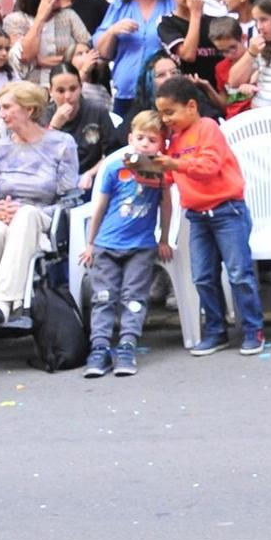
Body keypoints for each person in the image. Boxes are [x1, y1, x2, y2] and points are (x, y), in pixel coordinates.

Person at [146, 75, 265, 357]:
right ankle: (216, 330)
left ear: (190, 106)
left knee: (239, 273)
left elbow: (208, 167)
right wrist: (151, 161)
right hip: (197, 215)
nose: (166, 119)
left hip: (227, 210)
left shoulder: (208, 128)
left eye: (169, 112)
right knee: (202, 276)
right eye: (161, 113)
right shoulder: (173, 140)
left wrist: (174, 162)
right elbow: (171, 178)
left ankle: (252, 329)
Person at [0, 82, 79, 343]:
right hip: (4, 221)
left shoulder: (62, 144)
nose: (1, 114)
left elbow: (70, 201)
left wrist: (22, 209)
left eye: (7, 107)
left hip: (42, 219)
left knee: (27, 214)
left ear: (30, 110)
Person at [78, 110, 173, 378]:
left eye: (152, 140)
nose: (145, 144)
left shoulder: (160, 172)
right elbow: (99, 207)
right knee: (104, 297)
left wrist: (164, 239)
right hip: (107, 245)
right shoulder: (114, 166)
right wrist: (90, 243)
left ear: (161, 145)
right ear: (130, 137)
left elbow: (167, 206)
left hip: (141, 247)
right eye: (140, 137)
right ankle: (99, 347)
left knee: (134, 298)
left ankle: (127, 345)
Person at [94, 0, 174, 117]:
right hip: (126, 95)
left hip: (164, 92)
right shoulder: (120, 5)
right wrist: (112, 32)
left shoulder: (170, 3)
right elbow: (102, 52)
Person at [9, 0, 92, 77]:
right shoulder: (15, 20)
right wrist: (41, 17)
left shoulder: (68, 16)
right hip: (31, 90)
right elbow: (24, 56)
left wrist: (40, 61)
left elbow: (89, 54)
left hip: (66, 84)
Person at [45, 63, 123, 177]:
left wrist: (90, 174)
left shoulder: (97, 111)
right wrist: (54, 126)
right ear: (51, 91)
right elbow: (40, 158)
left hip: (90, 177)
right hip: (54, 179)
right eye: (60, 91)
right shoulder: (43, 116)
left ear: (81, 87)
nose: (67, 96)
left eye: (73, 89)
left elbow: (113, 153)